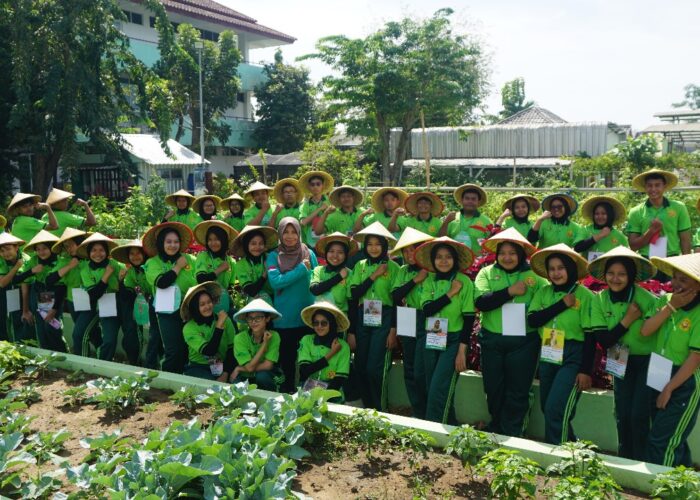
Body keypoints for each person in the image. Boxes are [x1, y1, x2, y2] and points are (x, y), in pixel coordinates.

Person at [528, 243, 605, 444]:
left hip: (574, 353)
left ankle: (557, 454)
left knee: (557, 408)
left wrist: (585, 370)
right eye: (552, 269)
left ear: (570, 269)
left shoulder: (586, 296)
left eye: (560, 268)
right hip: (549, 348)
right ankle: (573, 447)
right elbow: (533, 320)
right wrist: (562, 304)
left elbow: (591, 337)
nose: (556, 273)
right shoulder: (544, 292)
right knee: (548, 406)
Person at [588, 246, 659, 460]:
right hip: (618, 357)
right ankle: (623, 459)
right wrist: (628, 319)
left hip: (649, 361)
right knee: (622, 412)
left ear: (630, 276)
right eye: (611, 273)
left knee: (639, 414)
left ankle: (642, 462)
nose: (615, 279)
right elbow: (604, 340)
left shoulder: (647, 299)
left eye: (621, 274)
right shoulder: (599, 299)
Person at [475, 228, 546, 436]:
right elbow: (481, 302)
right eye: (503, 253)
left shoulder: (535, 276)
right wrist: (510, 292)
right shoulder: (486, 273)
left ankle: (514, 433)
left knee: (518, 390)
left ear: (521, 254)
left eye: (512, 253)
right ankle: (497, 427)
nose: (507, 257)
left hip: (524, 343)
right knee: (493, 388)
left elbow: (545, 302)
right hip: (492, 340)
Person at [640, 254, 700, 467]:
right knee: (667, 433)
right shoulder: (665, 301)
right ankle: (685, 484)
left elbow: (695, 358)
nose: (675, 284)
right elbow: (646, 330)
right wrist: (671, 307)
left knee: (663, 440)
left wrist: (669, 389)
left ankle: (662, 488)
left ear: (697, 285)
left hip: (683, 379)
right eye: (675, 278)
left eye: (683, 280)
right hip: (658, 370)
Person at [415, 236, 476, 424]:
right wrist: (450, 293)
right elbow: (427, 309)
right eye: (439, 257)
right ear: (433, 260)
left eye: (448, 257)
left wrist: (461, 351)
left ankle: (433, 431)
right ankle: (451, 427)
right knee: (431, 386)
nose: (443, 261)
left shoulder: (464, 281)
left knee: (439, 388)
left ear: (455, 260)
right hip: (432, 336)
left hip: (453, 340)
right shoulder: (429, 280)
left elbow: (469, 318)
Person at [348, 222, 399, 411]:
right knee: (360, 366)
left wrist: (393, 329)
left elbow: (396, 301)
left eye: (378, 244)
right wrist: (374, 275)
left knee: (374, 369)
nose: (374, 248)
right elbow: (353, 295)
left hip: (384, 318)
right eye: (370, 244)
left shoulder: (393, 268)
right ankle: (366, 408)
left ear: (384, 246)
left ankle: (380, 408)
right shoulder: (359, 266)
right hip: (363, 316)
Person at [266, 217, 317, 392]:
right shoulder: (273, 256)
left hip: (307, 316)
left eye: (293, 231)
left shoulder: (309, 253)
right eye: (285, 232)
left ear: (299, 233)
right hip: (285, 318)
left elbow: (317, 280)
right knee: (287, 360)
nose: (289, 236)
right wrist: (301, 269)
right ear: (280, 233)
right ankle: (287, 394)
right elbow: (276, 282)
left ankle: (306, 394)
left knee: (307, 359)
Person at [390, 227, 434, 419]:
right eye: (406, 250)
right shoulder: (403, 271)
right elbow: (396, 295)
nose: (409, 254)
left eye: (414, 249)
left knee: (421, 369)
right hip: (407, 317)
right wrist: (416, 280)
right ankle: (417, 411)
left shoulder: (432, 270)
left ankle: (427, 410)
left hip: (427, 320)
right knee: (409, 367)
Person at [143, 222, 196, 373]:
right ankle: (167, 380)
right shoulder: (152, 263)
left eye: (176, 242)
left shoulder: (191, 259)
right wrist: (178, 267)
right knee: (173, 349)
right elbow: (162, 283)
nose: (173, 245)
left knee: (188, 346)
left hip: (189, 310)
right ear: (161, 243)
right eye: (168, 242)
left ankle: (184, 378)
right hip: (166, 312)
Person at [75, 233, 124, 361]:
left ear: (107, 252)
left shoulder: (116, 265)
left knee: (109, 340)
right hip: (91, 304)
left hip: (112, 305)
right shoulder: (85, 270)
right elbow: (94, 294)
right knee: (78, 334)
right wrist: (106, 275)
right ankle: (81, 364)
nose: (98, 254)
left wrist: (121, 279)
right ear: (88, 252)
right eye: (94, 250)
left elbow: (125, 282)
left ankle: (104, 364)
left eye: (101, 250)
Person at [45, 228, 93, 350]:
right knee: (90, 334)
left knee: (78, 334)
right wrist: (70, 266)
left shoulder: (92, 258)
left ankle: (82, 361)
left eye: (71, 245)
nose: (69, 249)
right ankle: (98, 356)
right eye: (66, 246)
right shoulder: (65, 261)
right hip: (73, 302)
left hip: (92, 302)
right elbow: (50, 281)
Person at [20, 230, 67, 352]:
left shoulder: (59, 261)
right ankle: (46, 354)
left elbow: (62, 287)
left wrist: (55, 308)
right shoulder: (34, 261)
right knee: (41, 327)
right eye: (38, 249)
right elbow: (18, 279)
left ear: (51, 248)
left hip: (54, 294)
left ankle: (62, 352)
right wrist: (31, 271)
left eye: (45, 248)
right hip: (39, 292)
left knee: (52, 326)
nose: (41, 252)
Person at [628, 169, 691, 258]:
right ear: (645, 187)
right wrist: (651, 231)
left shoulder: (679, 207)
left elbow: (685, 240)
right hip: (647, 259)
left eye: (657, 185)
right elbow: (633, 246)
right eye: (649, 185)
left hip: (672, 258)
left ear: (664, 186)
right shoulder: (635, 212)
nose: (653, 189)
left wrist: (686, 262)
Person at [112, 239, 155, 367]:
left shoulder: (152, 266)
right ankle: (134, 361)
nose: (135, 257)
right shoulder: (130, 272)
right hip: (141, 308)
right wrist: (120, 281)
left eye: (138, 253)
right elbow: (127, 296)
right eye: (132, 254)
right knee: (131, 333)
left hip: (157, 306)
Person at [181, 282, 236, 381]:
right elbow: (209, 351)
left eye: (209, 302)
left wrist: (226, 373)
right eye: (202, 304)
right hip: (198, 367)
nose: (207, 306)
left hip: (224, 366)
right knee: (210, 384)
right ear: (194, 307)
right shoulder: (189, 328)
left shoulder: (225, 319)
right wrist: (219, 326)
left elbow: (232, 349)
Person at [298, 301, 352, 402]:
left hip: (332, 391)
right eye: (316, 323)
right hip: (307, 386)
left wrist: (322, 398)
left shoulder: (344, 346)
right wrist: (331, 353)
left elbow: (339, 380)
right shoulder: (306, 340)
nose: (319, 326)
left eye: (324, 323)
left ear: (331, 324)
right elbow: (304, 371)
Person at [231, 298, 284, 390]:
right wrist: (264, 345)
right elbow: (249, 367)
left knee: (261, 376)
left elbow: (268, 365)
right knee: (235, 383)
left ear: (267, 319)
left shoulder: (275, 336)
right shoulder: (239, 338)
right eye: (250, 318)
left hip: (269, 374)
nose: (253, 321)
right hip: (246, 376)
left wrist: (240, 368)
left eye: (258, 318)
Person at [310, 232, 358, 319]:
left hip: (341, 320)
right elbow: (315, 290)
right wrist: (339, 277)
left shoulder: (350, 274)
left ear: (346, 255)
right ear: (326, 253)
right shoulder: (318, 270)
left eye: (340, 252)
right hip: (320, 322)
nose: (335, 256)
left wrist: (351, 330)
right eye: (331, 251)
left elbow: (352, 303)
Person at [193, 220, 237, 315]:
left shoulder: (231, 262)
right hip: (205, 306)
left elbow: (231, 286)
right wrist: (219, 269)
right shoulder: (203, 256)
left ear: (224, 240)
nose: (213, 243)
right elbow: (201, 279)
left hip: (223, 305)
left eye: (217, 239)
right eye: (209, 239)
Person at [440, 183, 492, 257]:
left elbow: (491, 246)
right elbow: (440, 239)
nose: (470, 201)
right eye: (467, 198)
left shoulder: (487, 222)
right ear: (462, 200)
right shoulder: (452, 218)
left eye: (473, 199)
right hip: (453, 262)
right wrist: (446, 222)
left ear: (478, 201)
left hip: (476, 264)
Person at [574, 196, 629, 261]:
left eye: (603, 213)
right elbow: (577, 248)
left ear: (610, 215)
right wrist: (599, 236)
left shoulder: (619, 236)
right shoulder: (585, 230)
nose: (600, 216)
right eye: (597, 214)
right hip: (588, 270)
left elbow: (626, 257)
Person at [231, 225, 277, 302]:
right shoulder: (240, 265)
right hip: (255, 298)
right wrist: (265, 273)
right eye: (253, 243)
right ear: (246, 245)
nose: (257, 247)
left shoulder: (271, 257)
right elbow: (251, 291)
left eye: (261, 243)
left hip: (276, 295)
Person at [0, 233, 31, 343]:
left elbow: (25, 286)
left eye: (8, 249)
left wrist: (25, 310)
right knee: (7, 319)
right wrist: (16, 267)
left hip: (27, 291)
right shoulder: (1, 260)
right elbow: (2, 283)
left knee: (23, 319)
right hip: (8, 290)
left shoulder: (26, 260)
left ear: (16, 247)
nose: (5, 253)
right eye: (2, 251)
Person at [298, 170, 334, 248]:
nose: (315, 187)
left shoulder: (330, 202)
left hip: (327, 242)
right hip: (309, 244)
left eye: (318, 184)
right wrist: (320, 209)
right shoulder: (305, 205)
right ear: (309, 187)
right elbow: (303, 222)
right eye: (312, 184)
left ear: (323, 186)